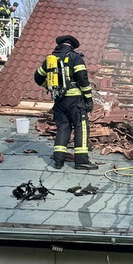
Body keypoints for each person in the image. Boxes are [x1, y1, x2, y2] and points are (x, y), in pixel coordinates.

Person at [34, 35, 98, 170]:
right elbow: (82, 79)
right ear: (72, 46)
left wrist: (49, 87)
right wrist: (88, 98)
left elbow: (38, 77)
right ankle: (81, 161)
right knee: (81, 127)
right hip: (75, 100)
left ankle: (58, 160)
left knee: (63, 127)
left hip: (59, 100)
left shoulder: (50, 59)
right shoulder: (75, 57)